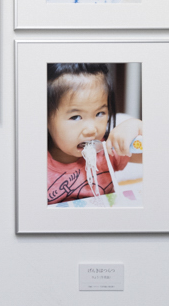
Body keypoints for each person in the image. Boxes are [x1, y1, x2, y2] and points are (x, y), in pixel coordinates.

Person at [46, 63, 142, 205]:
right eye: (76, 117)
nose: (91, 130)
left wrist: (138, 126)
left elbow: (160, 155)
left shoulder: (108, 152)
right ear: (46, 119)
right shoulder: (36, 165)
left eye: (99, 113)